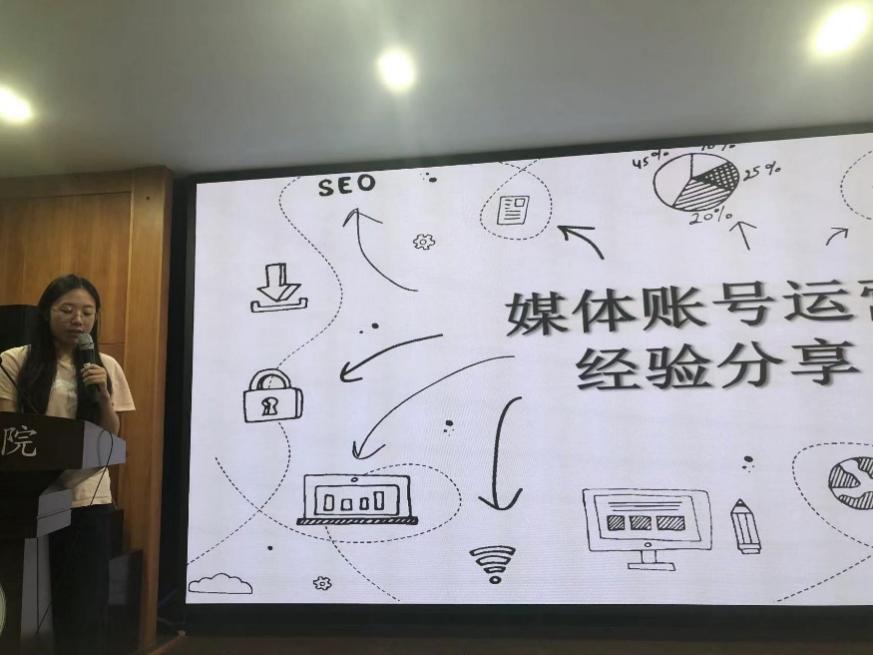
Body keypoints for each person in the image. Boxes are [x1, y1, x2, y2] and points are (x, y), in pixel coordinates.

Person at [0, 274, 135, 655]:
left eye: (87, 312)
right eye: (68, 310)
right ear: (46, 313)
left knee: (84, 604)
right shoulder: (14, 360)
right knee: (28, 607)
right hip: (28, 502)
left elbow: (111, 435)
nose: (78, 319)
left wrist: (103, 395)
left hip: (87, 497)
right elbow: (8, 431)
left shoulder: (106, 365)